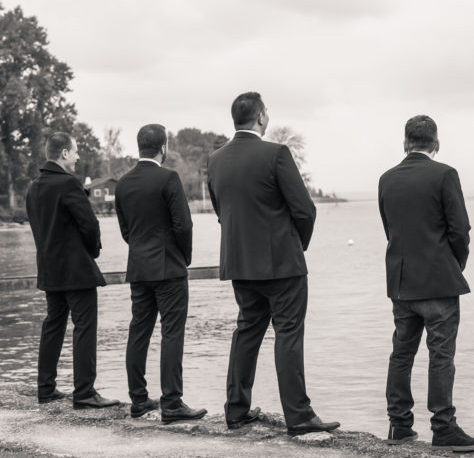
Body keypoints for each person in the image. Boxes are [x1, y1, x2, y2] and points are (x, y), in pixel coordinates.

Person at [207, 91, 339, 435]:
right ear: (261, 117)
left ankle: (236, 410)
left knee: (247, 332)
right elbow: (305, 209)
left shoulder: (216, 160)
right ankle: (299, 416)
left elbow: (221, 211)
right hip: (282, 264)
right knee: (288, 335)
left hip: (239, 263)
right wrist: (297, 245)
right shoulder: (276, 153)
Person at [378, 115, 474, 451]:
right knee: (441, 355)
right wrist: (456, 264)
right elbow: (460, 230)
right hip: (438, 281)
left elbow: (390, 228)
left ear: (405, 143)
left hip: (401, 281)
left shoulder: (386, 179)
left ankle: (399, 425)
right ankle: (443, 427)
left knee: (402, 353)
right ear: (436, 143)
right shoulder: (445, 174)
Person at [114, 124, 207, 424]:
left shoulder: (123, 184)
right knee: (172, 333)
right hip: (169, 268)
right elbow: (184, 225)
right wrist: (184, 256)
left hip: (139, 268)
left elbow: (126, 230)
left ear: (139, 146)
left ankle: (138, 400)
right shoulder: (168, 178)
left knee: (138, 332)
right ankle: (172, 403)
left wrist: (141, 249)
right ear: (163, 147)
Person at [25, 132, 119, 409]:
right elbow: (89, 224)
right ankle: (84, 392)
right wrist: (93, 251)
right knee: (85, 327)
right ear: (64, 153)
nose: (78, 157)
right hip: (76, 270)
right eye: (75, 151)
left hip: (49, 268)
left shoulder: (34, 188)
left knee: (53, 326)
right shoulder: (68, 183)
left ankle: (45, 388)